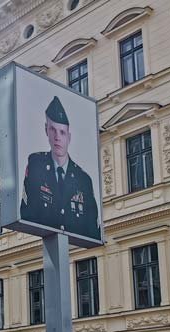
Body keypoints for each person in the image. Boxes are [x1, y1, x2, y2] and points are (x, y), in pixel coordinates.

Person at [20, 95, 100, 240]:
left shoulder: (84, 179)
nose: (57, 137)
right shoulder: (36, 165)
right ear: (46, 130)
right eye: (53, 130)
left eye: (62, 132)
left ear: (69, 137)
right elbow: (26, 213)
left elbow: (92, 229)